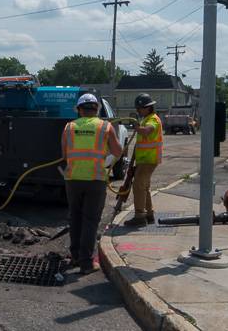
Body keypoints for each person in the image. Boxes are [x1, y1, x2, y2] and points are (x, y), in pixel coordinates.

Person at [61, 93, 122, 274]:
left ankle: (75, 256)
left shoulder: (69, 127)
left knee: (76, 218)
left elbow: (64, 155)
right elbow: (118, 151)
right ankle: (86, 264)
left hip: (73, 179)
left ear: (79, 110)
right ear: (96, 109)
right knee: (90, 221)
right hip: (95, 179)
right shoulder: (105, 127)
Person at [124, 93, 164, 227]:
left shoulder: (153, 119)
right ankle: (149, 214)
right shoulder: (146, 119)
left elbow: (146, 131)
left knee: (138, 186)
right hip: (144, 160)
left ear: (147, 107)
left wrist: (136, 127)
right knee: (144, 187)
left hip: (149, 160)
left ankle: (139, 216)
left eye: (139, 108)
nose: (137, 111)